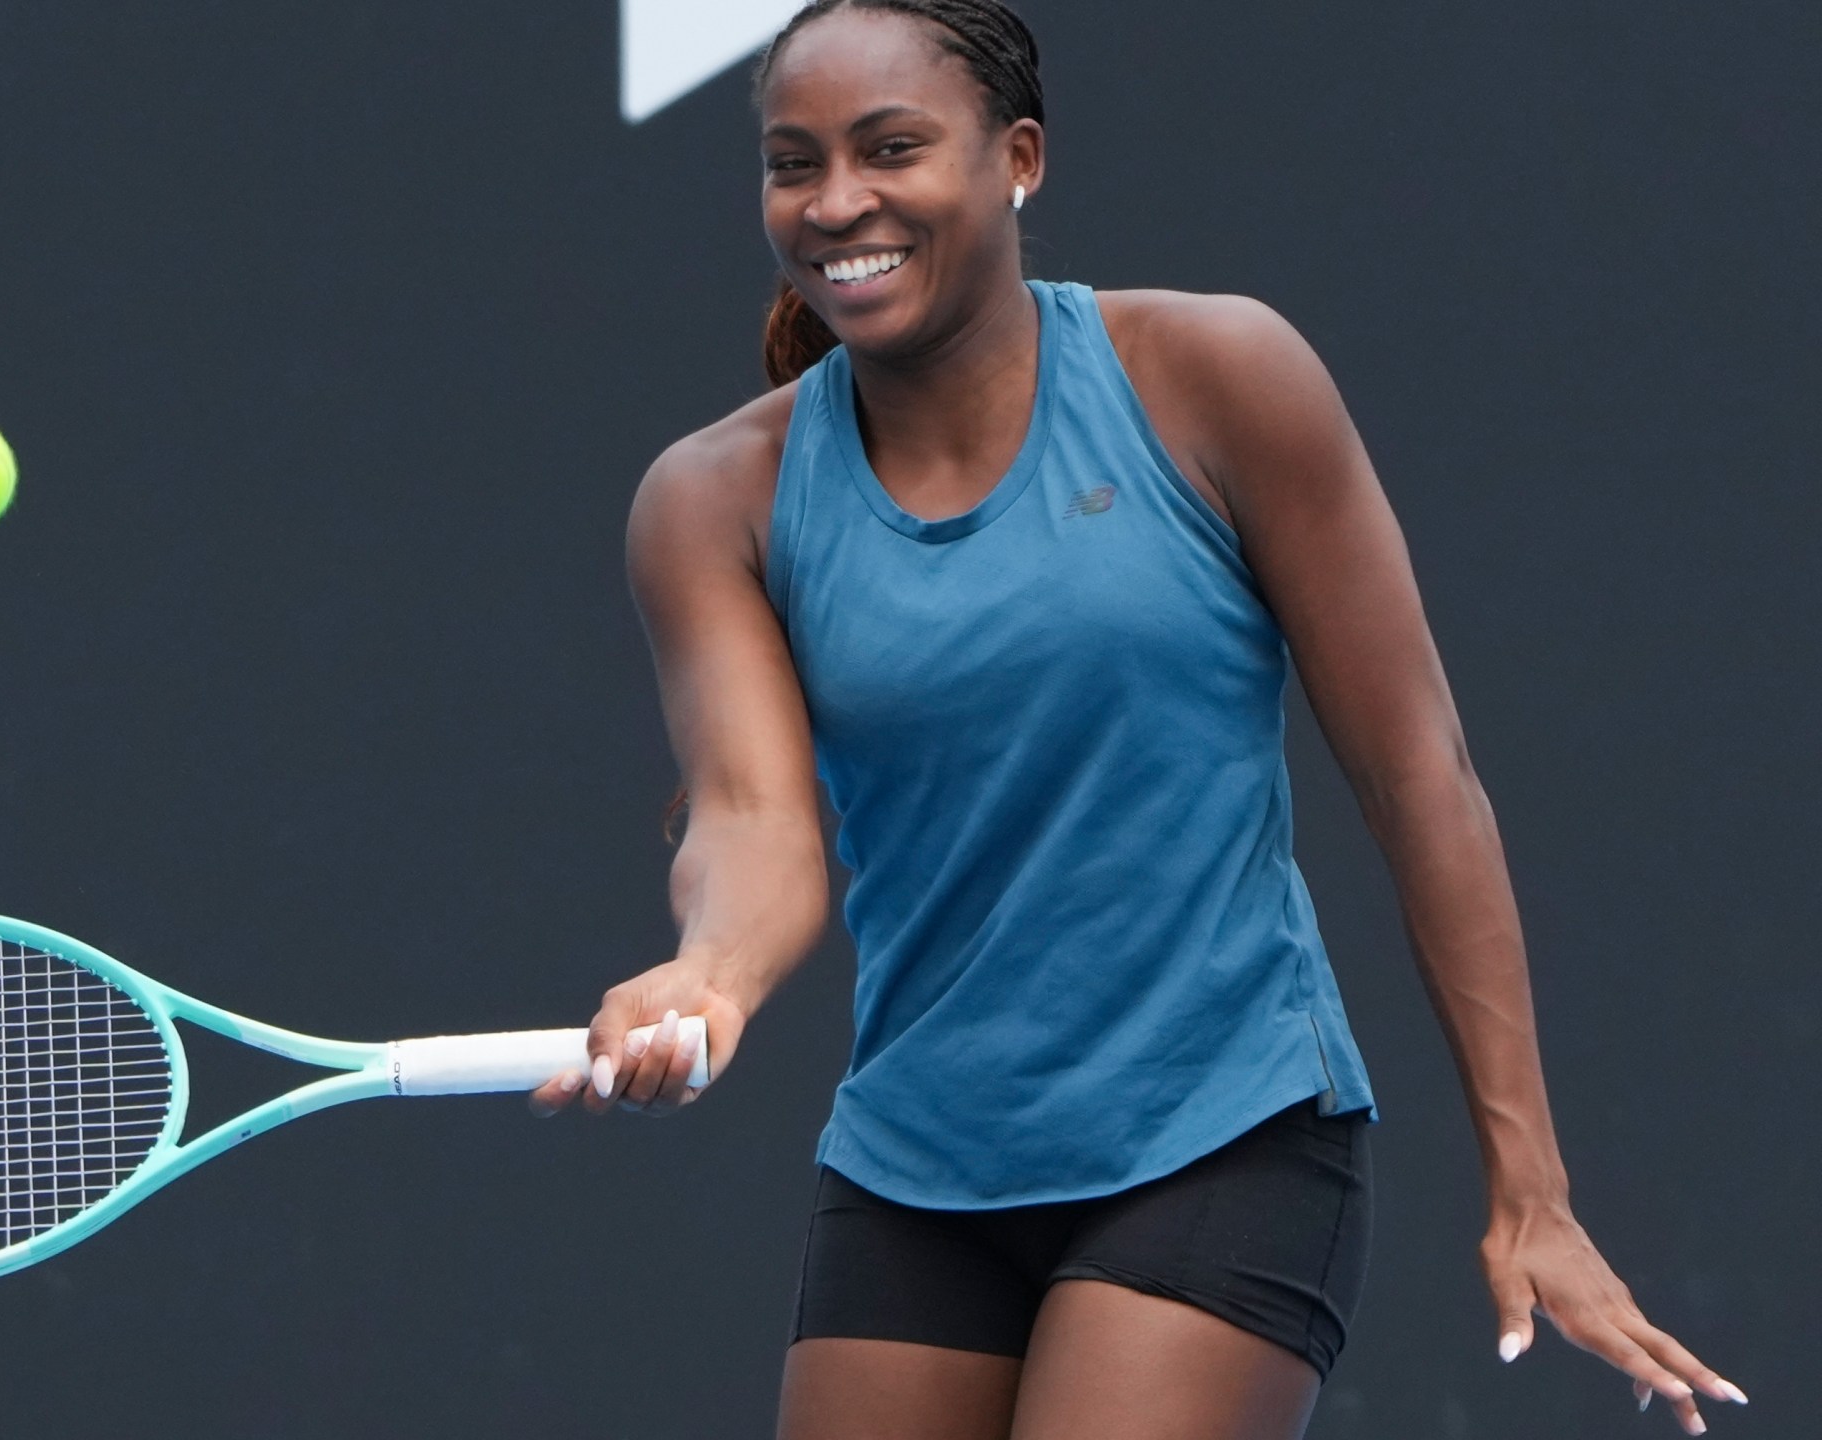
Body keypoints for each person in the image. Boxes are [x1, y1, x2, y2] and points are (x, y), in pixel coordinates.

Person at [531, 2, 1746, 1436]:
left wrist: (1530, 1185)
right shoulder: (710, 500)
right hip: (917, 1167)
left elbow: (1422, 779)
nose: (837, 201)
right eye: (795, 164)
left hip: (1219, 1135)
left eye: (892, 149)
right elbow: (751, 818)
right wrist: (713, 977)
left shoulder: (1218, 377)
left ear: (1018, 159)